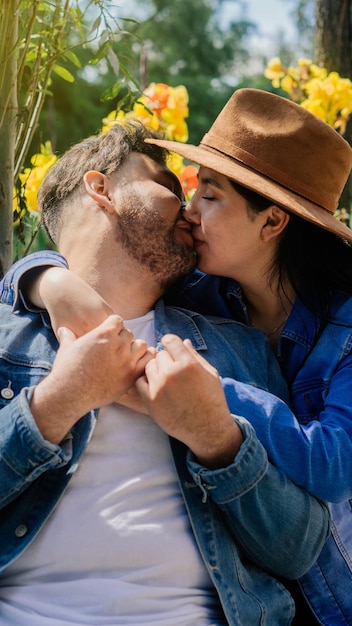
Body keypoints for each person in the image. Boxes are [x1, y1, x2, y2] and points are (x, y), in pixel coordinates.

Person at [4, 88, 352, 625]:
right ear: (100, 189)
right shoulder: (15, 329)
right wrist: (47, 289)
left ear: (272, 223)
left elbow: (313, 514)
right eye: (174, 187)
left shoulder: (237, 340)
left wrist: (212, 425)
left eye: (204, 194)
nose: (188, 211)